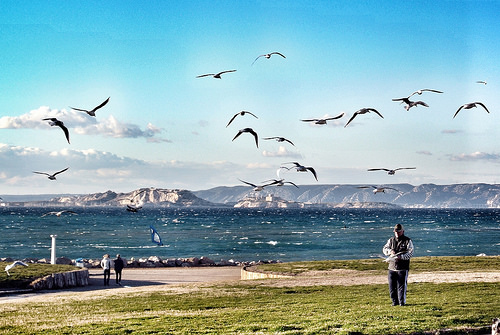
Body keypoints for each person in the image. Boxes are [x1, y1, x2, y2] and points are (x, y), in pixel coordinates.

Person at [382, 223, 414, 306]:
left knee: (401, 286)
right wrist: (390, 252)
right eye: (395, 231)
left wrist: (401, 257)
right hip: (391, 268)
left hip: (402, 268)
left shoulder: (408, 241)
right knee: (392, 286)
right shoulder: (391, 240)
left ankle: (402, 303)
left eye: (399, 231)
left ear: (403, 231)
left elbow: (410, 253)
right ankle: (394, 302)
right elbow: (385, 249)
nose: (397, 233)